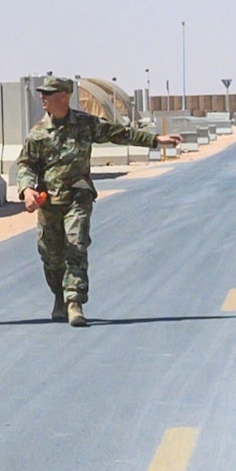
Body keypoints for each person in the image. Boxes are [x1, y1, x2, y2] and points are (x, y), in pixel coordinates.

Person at [14, 76, 171, 326]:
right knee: (51, 256)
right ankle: (59, 297)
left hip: (78, 197)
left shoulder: (85, 124)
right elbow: (25, 164)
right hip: (49, 203)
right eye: (41, 93)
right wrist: (26, 190)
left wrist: (154, 140)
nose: (42, 97)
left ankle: (75, 302)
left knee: (76, 247)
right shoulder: (38, 132)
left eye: (48, 93)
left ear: (63, 97)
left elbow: (118, 133)